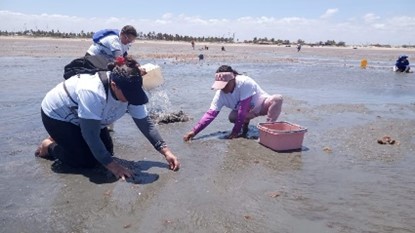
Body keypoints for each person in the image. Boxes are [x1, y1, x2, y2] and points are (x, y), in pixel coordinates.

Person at [35, 56, 180, 180]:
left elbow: (146, 125)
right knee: (86, 161)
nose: (132, 99)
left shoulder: (131, 91)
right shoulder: (93, 91)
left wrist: (166, 151)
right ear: (114, 85)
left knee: (107, 152)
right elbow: (90, 135)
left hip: (87, 118)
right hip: (59, 116)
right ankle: (49, 147)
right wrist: (114, 167)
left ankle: (66, 139)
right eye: (128, 96)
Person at [183, 65, 283, 141]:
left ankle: (267, 131)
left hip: (262, 106)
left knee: (277, 99)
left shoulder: (244, 82)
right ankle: (245, 129)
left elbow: (243, 109)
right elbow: (210, 115)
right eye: (220, 85)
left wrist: (234, 132)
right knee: (232, 117)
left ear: (233, 78)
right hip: (246, 113)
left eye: (225, 85)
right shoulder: (220, 95)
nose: (223, 88)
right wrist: (194, 131)